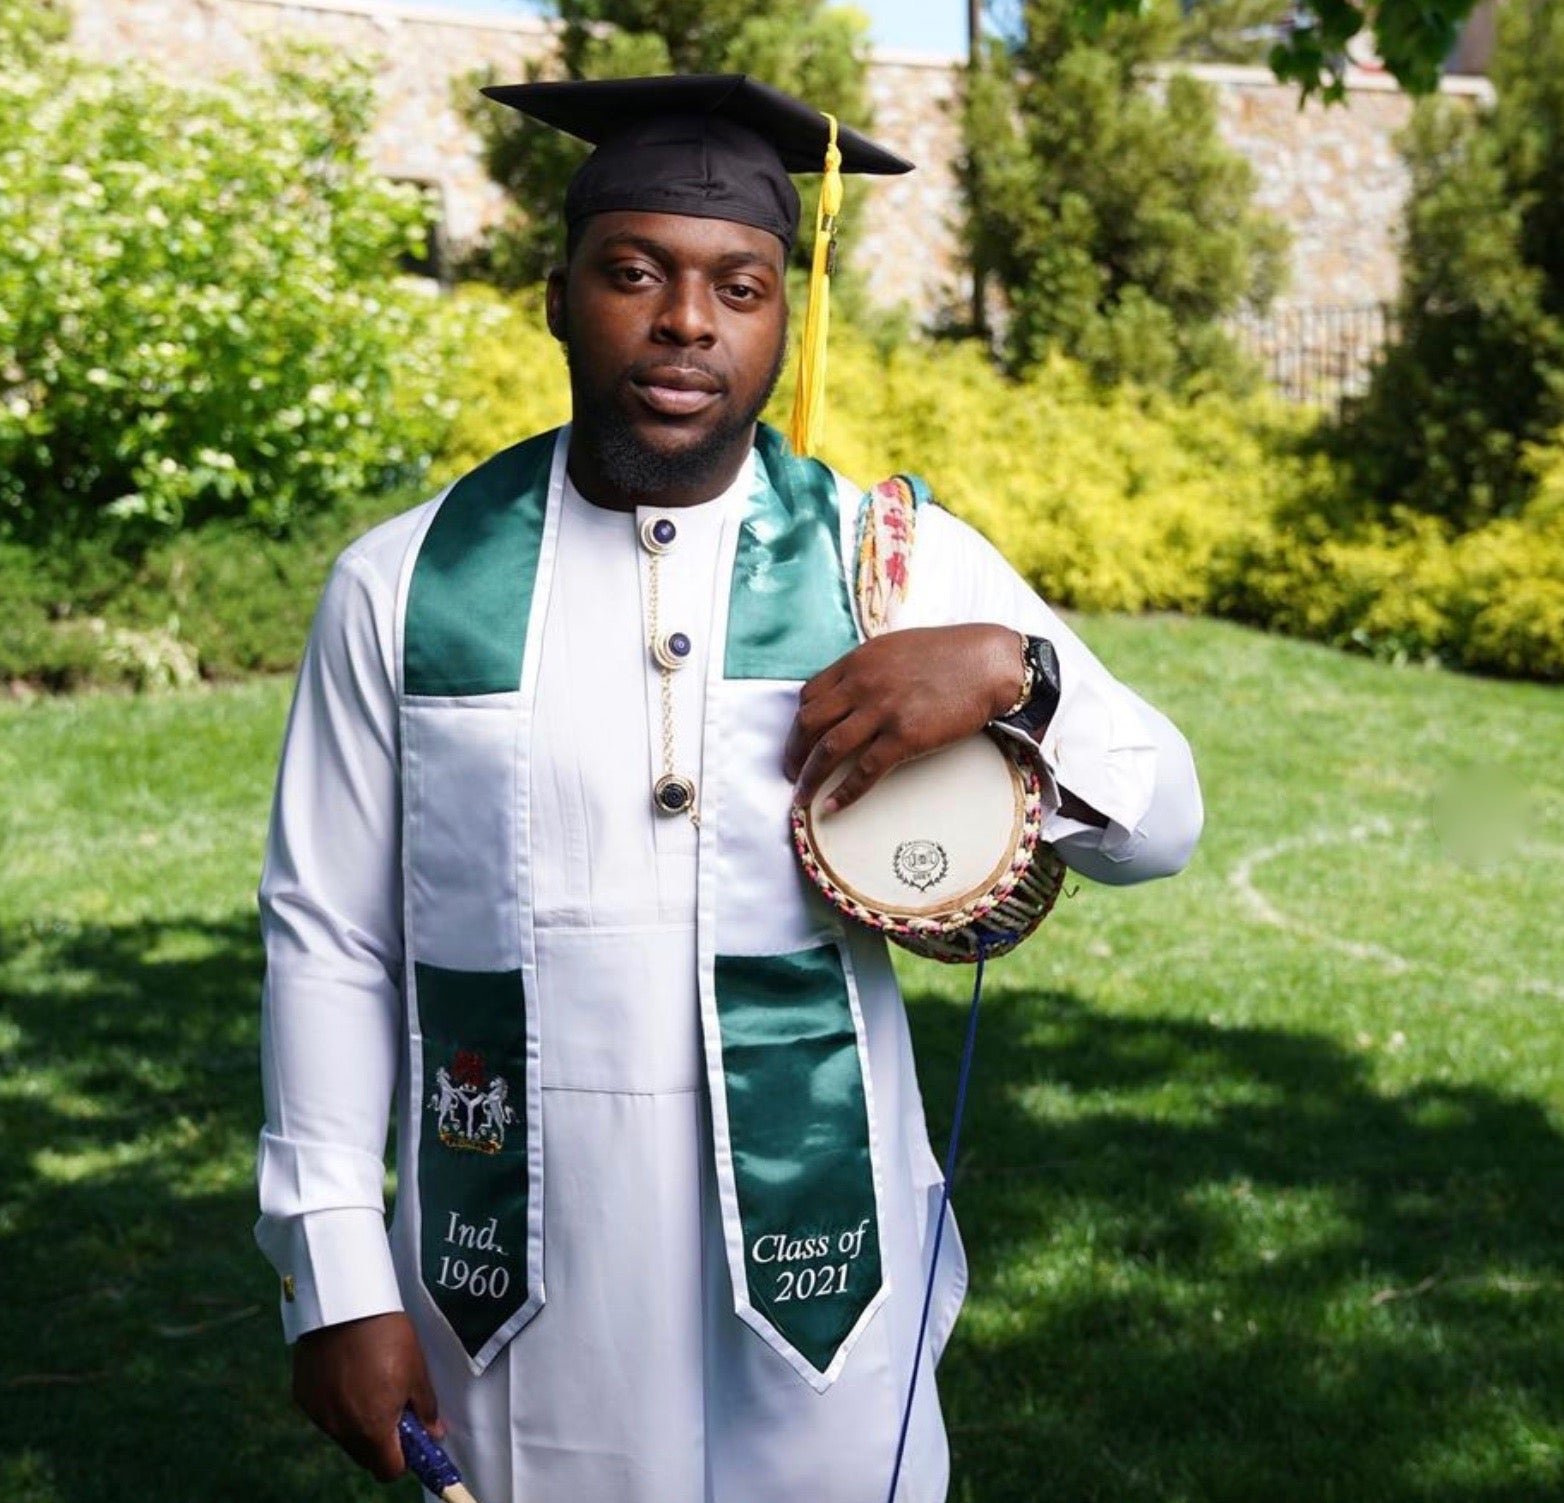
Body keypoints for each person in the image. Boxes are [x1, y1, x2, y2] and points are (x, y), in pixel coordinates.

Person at [254, 74, 1203, 1503]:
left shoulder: (888, 568)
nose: (686, 320)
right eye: (634, 273)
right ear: (558, 295)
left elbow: (1165, 824)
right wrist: (332, 1273)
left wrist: (1020, 673)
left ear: (783, 317)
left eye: (739, 286)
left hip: (822, 1268)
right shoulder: (401, 587)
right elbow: (328, 936)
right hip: (518, 1255)